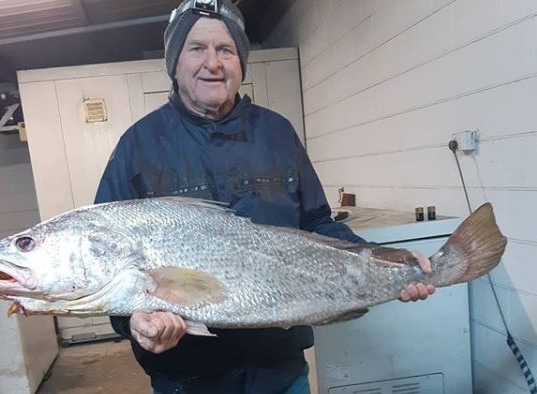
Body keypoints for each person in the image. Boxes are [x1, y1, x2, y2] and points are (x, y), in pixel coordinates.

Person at [94, 1, 434, 393]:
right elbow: (109, 266)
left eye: (226, 49)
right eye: (197, 48)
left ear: (240, 61)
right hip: (188, 377)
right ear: (174, 63)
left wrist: (388, 262)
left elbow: (318, 224)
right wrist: (133, 322)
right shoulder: (138, 147)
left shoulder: (276, 133)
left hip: (279, 370)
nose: (213, 63)